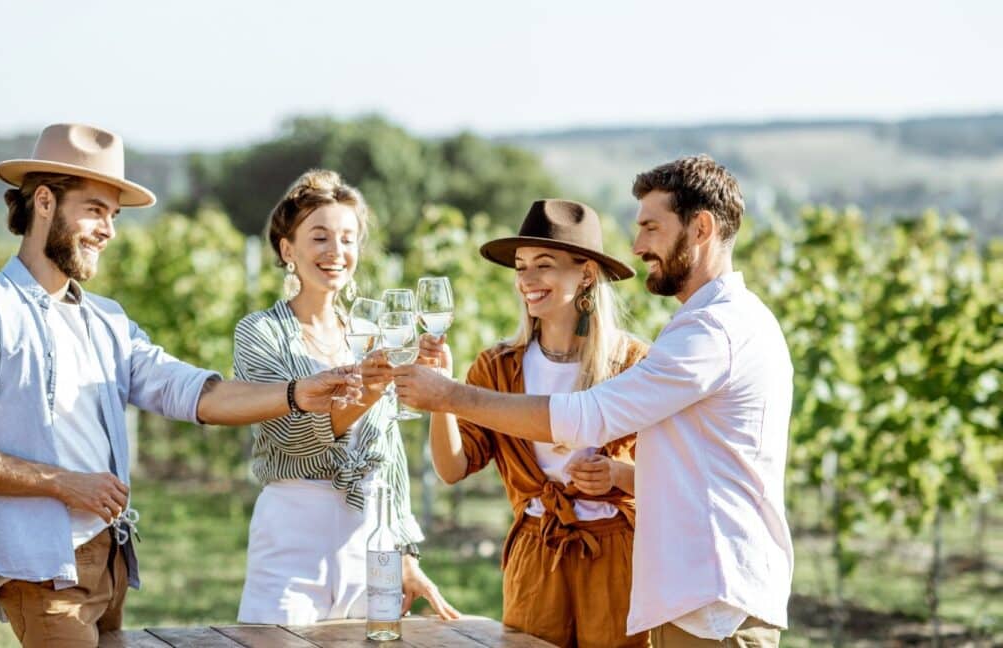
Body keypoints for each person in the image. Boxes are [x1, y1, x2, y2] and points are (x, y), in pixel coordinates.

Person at [0, 123, 359, 648]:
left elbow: (193, 392)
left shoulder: (107, 321)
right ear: (45, 201)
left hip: (109, 560)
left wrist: (297, 393)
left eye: (113, 216)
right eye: (95, 209)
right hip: (43, 569)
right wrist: (63, 482)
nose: (109, 231)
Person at [392, 156, 794, 647]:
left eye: (650, 227)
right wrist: (445, 398)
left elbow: (587, 418)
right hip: (671, 588)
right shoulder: (711, 325)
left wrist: (449, 394)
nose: (639, 245)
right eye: (521, 268)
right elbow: (684, 466)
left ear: (701, 227)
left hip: (704, 592)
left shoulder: (703, 334)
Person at [414, 199, 651, 647]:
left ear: (585, 274)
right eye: (521, 268)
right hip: (537, 556)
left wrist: (618, 475)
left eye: (544, 265)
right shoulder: (498, 368)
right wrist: (441, 392)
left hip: (617, 557)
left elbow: (674, 478)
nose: (527, 280)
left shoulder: (634, 365)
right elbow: (451, 468)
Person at [232, 169, 459, 625]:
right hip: (293, 533)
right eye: (320, 237)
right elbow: (291, 436)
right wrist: (370, 392)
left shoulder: (373, 337)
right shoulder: (259, 333)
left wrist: (405, 551)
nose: (336, 252)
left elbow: (388, 456)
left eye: (348, 239)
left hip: (369, 541)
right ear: (287, 249)